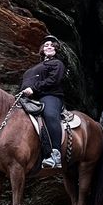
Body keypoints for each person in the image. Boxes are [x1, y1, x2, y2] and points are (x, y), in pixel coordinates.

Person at [20, 35, 66, 169]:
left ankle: (55, 154)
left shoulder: (57, 64)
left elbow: (53, 80)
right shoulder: (35, 67)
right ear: (42, 49)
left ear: (56, 50)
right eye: (46, 45)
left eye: (52, 45)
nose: (49, 46)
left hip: (50, 96)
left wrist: (33, 88)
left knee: (50, 115)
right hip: (30, 98)